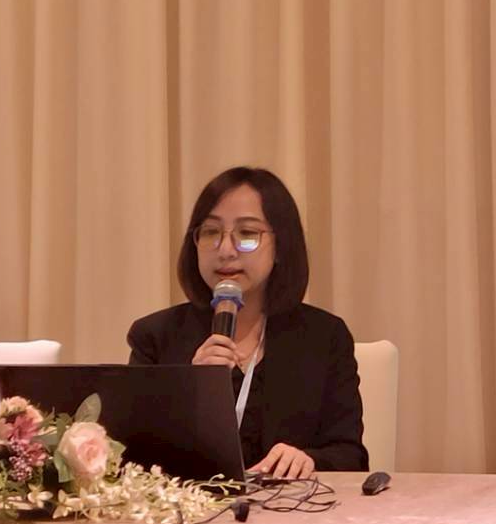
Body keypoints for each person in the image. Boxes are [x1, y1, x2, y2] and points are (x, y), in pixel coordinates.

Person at [127, 167, 369, 477]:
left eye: (247, 234)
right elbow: (133, 461)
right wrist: (191, 390)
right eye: (211, 232)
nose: (226, 250)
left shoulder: (324, 337)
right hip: (193, 507)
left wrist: (307, 460)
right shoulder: (155, 337)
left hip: (291, 505)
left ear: (281, 246)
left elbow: (351, 455)